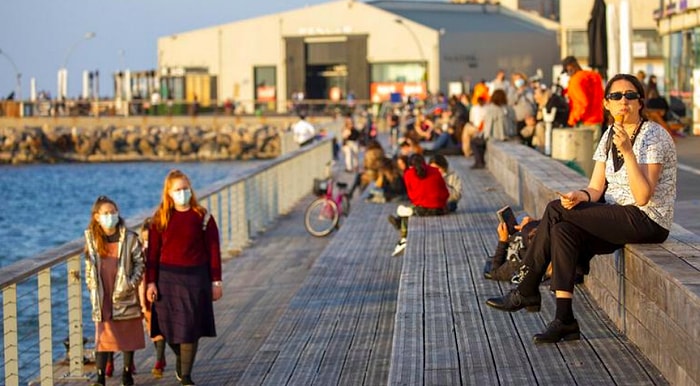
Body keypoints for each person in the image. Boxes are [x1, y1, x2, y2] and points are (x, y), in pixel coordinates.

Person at [485, 73, 677, 344]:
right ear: (607, 104)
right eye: (616, 96)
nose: (624, 101)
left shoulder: (654, 136)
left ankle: (526, 287)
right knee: (563, 229)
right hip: (616, 214)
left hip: (647, 220)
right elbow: (597, 188)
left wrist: (629, 152)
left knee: (553, 210)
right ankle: (565, 320)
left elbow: (643, 196)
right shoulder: (609, 135)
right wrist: (580, 195)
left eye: (630, 96)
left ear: (640, 102)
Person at [146, 169, 224, 385]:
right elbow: (151, 254)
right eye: (178, 190)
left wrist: (216, 282)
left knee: (190, 328)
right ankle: (181, 358)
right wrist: (150, 282)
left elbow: (214, 251)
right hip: (166, 280)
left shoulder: (203, 217)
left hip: (195, 279)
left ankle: (186, 376)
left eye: (186, 188)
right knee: (166, 327)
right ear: (169, 193)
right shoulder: (159, 219)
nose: (182, 192)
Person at [84, 195, 145, 386]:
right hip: (103, 294)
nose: (111, 216)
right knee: (102, 334)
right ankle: (100, 378)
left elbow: (140, 263)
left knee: (128, 331)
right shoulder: (92, 240)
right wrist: (91, 284)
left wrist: (131, 284)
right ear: (97, 217)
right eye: (106, 213)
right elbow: (88, 266)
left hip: (123, 290)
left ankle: (127, 373)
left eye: (114, 212)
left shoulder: (129, 238)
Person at [388, 154, 449, 256]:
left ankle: (403, 238)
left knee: (405, 211)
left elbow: (412, 196)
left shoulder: (408, 174)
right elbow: (445, 192)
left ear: (410, 165)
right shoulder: (435, 171)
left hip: (423, 207)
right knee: (408, 211)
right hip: (440, 208)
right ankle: (401, 226)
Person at [137, 217, 167, 378]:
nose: (148, 244)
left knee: (159, 327)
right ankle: (160, 359)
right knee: (151, 327)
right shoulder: (139, 252)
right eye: (145, 240)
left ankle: (159, 360)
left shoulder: (161, 252)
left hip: (159, 291)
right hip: (143, 295)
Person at [561, 56, 604, 141]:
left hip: (584, 123)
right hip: (597, 120)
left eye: (567, 71)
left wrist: (572, 120)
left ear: (571, 67)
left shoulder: (575, 80)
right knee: (595, 152)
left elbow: (582, 103)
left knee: (583, 152)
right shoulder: (595, 76)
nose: (567, 74)